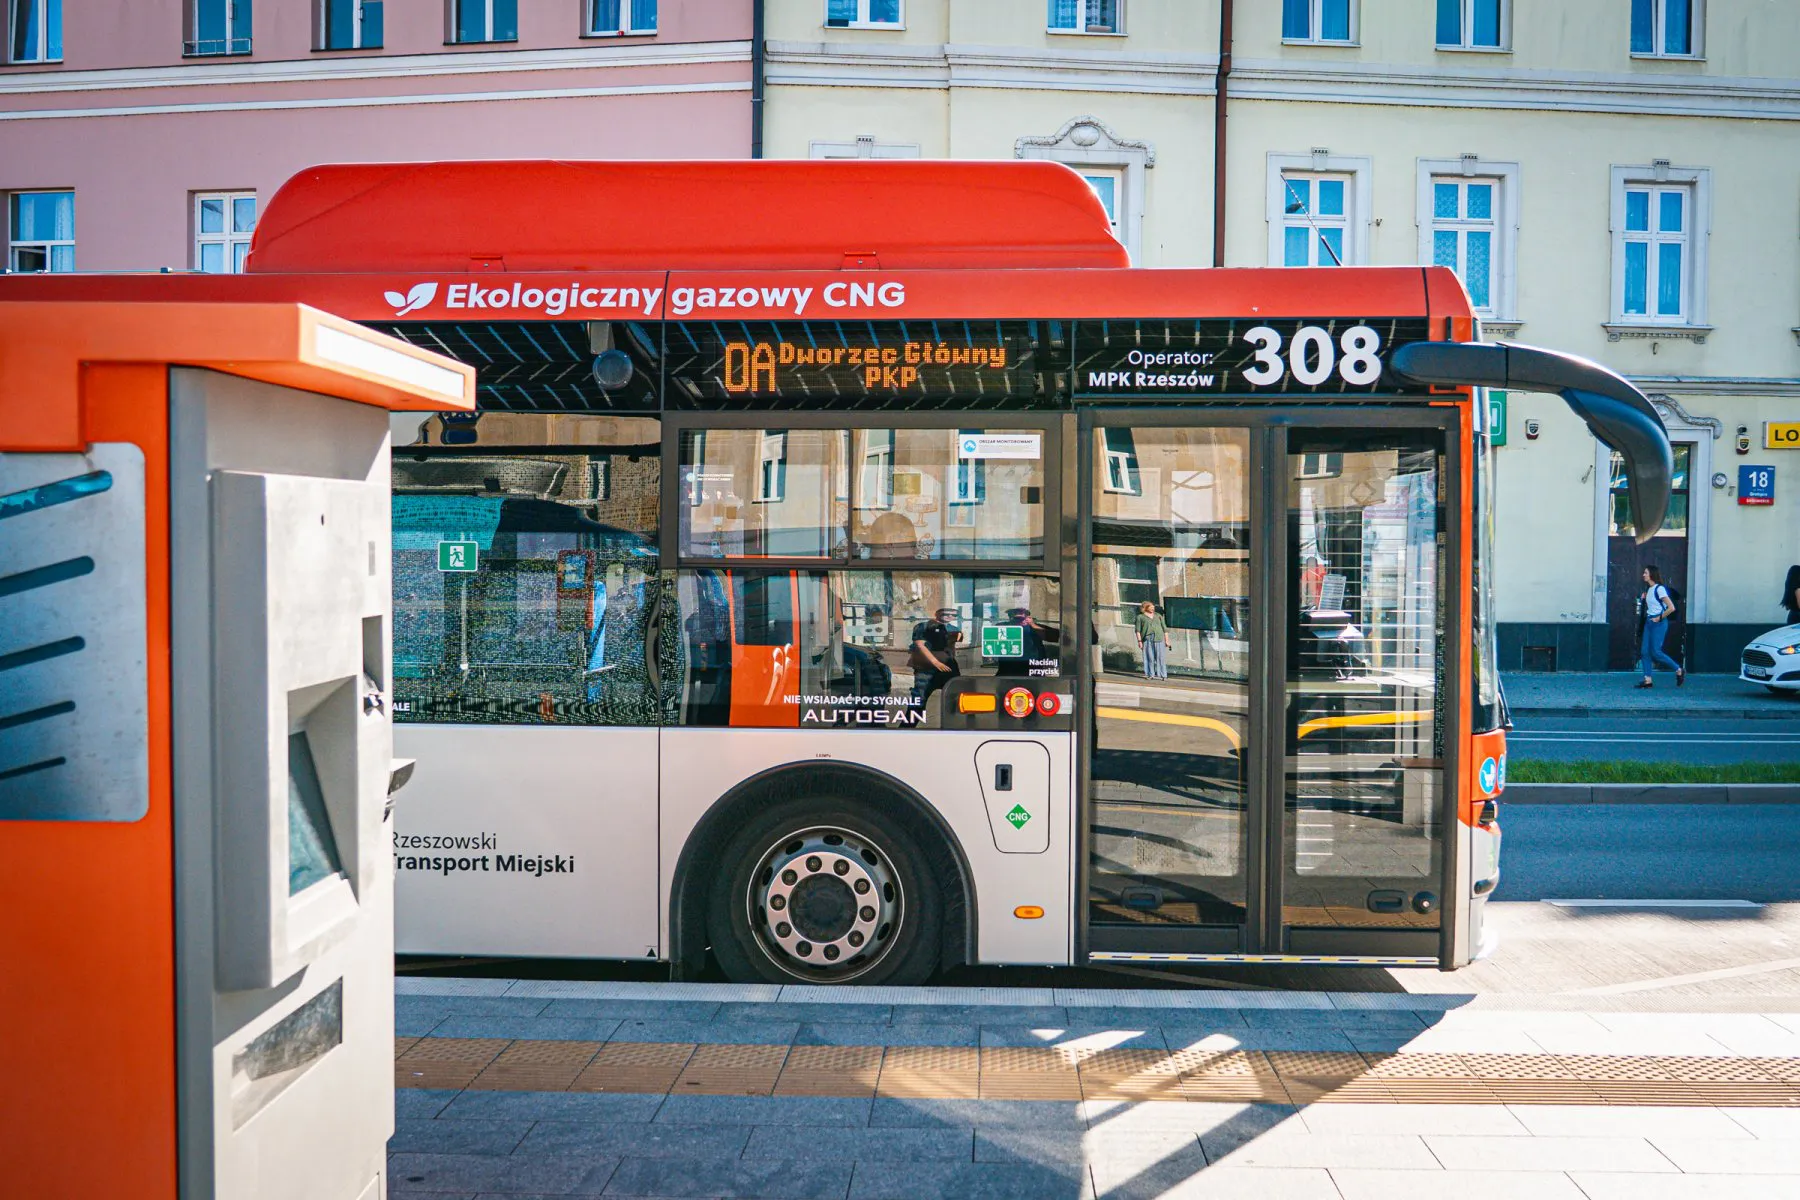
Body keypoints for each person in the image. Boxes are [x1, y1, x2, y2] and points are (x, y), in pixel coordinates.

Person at [1636, 565, 1683, 689]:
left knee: (1656, 652)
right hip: (1649, 622)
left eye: (1645, 573)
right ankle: (1647, 680)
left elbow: (1671, 607)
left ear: (1651, 574)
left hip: (1659, 622)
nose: (1643, 575)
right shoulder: (1649, 589)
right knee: (1645, 651)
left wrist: (1660, 618)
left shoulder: (1659, 589)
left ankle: (1678, 669)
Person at [909, 606, 961, 709]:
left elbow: (951, 647)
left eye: (954, 615)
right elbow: (920, 645)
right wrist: (935, 662)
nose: (950, 616)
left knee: (955, 700)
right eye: (946, 614)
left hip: (947, 666)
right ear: (937, 614)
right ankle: (908, 724)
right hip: (926, 668)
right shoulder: (923, 626)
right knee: (918, 702)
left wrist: (950, 661)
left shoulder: (954, 629)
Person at [1134, 600, 1170, 681]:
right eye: (1151, 607)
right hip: (1147, 639)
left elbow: (1165, 629)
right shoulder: (1140, 617)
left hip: (1159, 638)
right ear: (1145, 608)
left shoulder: (1158, 616)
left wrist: (1167, 640)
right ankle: (1150, 674)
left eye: (1153, 607)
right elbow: (1138, 630)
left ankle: (1163, 675)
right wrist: (1139, 642)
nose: (1153, 608)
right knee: (1149, 657)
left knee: (1161, 657)